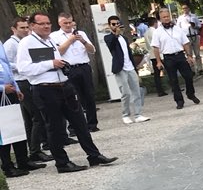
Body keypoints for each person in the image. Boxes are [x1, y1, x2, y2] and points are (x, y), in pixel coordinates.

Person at [16, 12, 117, 173]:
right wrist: (50, 64)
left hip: (64, 85)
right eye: (42, 24)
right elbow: (23, 68)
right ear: (32, 26)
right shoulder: (27, 43)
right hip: (45, 89)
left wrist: (63, 66)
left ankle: (94, 155)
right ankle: (62, 163)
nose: (46, 26)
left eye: (48, 23)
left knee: (80, 123)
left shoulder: (50, 40)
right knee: (55, 127)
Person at [5, 16, 50, 162]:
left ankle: (34, 149)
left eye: (26, 27)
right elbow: (6, 63)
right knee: (37, 116)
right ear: (14, 29)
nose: (25, 30)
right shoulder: (10, 45)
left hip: (27, 80)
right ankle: (35, 150)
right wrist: (22, 66)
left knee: (31, 118)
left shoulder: (26, 41)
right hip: (20, 81)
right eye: (22, 28)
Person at [0, 39, 45, 177]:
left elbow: (7, 66)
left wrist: (16, 88)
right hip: (2, 91)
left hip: (11, 90)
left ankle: (23, 160)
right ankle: (7, 166)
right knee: (4, 131)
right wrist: (2, 88)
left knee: (16, 127)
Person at [50, 13, 99, 132]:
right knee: (71, 97)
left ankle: (92, 123)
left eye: (70, 22)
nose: (68, 25)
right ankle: (74, 127)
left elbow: (92, 50)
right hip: (69, 68)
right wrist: (70, 40)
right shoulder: (54, 36)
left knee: (89, 95)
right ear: (59, 23)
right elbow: (58, 52)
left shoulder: (81, 33)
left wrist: (83, 42)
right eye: (65, 23)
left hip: (83, 66)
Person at [151, 7, 200, 109]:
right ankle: (179, 100)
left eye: (167, 16)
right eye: (164, 17)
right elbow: (156, 48)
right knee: (173, 80)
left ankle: (190, 94)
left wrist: (189, 56)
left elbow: (185, 43)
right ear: (160, 19)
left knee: (188, 76)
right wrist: (158, 61)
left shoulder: (177, 29)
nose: (166, 19)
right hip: (168, 58)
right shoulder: (157, 32)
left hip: (180, 55)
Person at [104, 15, 149, 125]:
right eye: (113, 24)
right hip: (120, 68)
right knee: (125, 93)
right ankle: (126, 115)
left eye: (117, 23)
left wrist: (135, 67)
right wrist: (116, 34)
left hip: (130, 67)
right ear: (109, 25)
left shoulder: (123, 38)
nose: (116, 26)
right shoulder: (108, 37)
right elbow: (111, 46)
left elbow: (128, 53)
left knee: (136, 91)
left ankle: (138, 114)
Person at [142, 15, 166, 96]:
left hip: (152, 54)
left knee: (156, 74)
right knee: (169, 70)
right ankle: (173, 87)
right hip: (159, 54)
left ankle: (159, 90)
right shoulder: (155, 32)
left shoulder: (146, 33)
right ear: (155, 23)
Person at [176, 3, 202, 74]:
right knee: (189, 54)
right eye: (183, 8)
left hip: (194, 35)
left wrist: (195, 26)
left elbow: (199, 25)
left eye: (186, 8)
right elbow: (178, 29)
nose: (185, 10)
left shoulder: (193, 16)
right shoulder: (180, 18)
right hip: (186, 37)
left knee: (197, 54)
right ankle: (192, 70)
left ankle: (200, 69)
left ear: (188, 8)